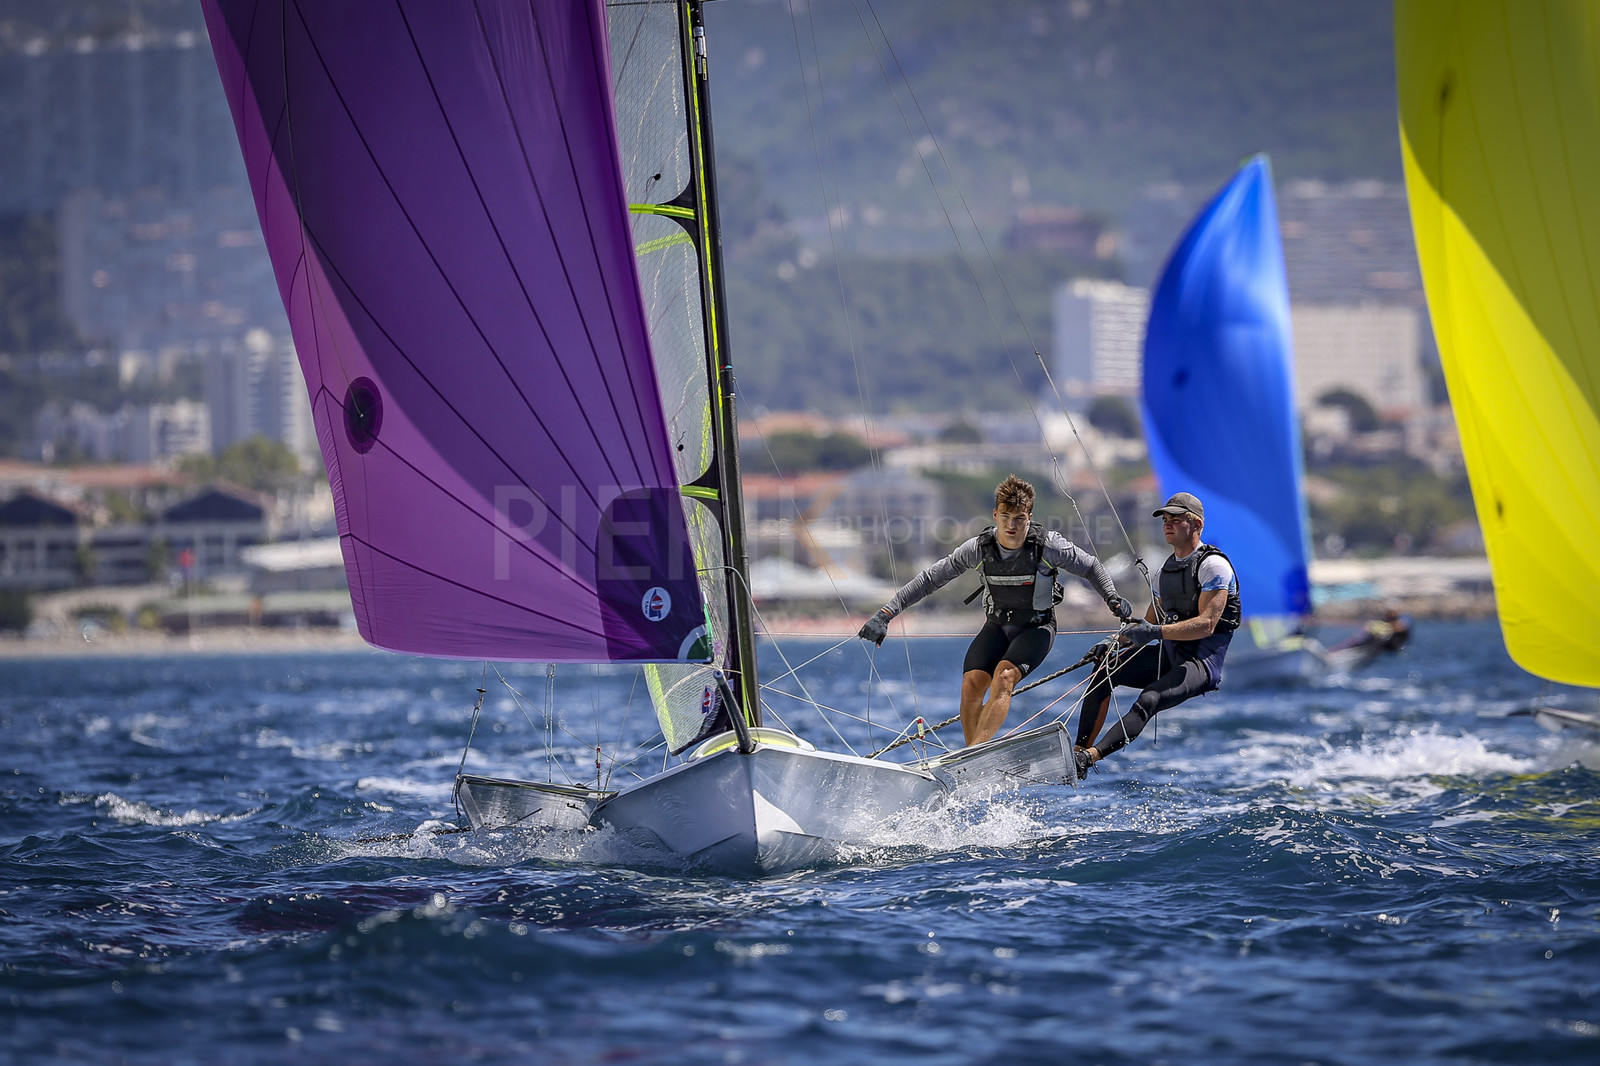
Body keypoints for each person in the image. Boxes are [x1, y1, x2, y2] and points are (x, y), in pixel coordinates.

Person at [857, 474, 1131, 747]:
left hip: (1036, 628)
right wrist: (885, 614)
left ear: (1029, 517)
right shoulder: (978, 548)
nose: (1011, 525)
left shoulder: (1048, 546)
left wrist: (1112, 599)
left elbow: (1092, 566)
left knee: (1004, 677)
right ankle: (970, 755)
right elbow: (930, 579)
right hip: (997, 625)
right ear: (995, 514)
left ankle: (975, 751)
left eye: (1019, 519)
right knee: (972, 684)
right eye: (1005, 517)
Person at [1074, 491, 1240, 777]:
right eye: (1165, 518)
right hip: (1170, 654)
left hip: (1200, 664)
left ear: (1197, 524)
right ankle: (1077, 753)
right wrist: (1112, 642)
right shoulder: (1164, 573)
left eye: (1176, 518)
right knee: (1105, 668)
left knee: (1149, 699)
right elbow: (1146, 624)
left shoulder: (1213, 566)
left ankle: (1091, 758)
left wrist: (1155, 632)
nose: (1168, 523)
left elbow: (1206, 624)